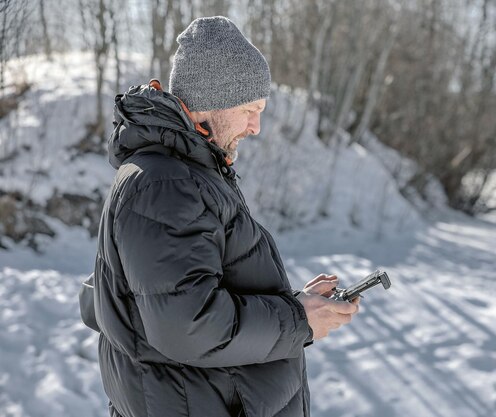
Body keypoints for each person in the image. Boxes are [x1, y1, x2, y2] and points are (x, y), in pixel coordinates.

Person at [87, 16, 359, 417]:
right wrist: (298, 320)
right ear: (211, 102)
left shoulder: (187, 172)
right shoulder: (164, 184)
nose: (257, 127)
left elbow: (187, 291)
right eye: (250, 109)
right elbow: (187, 323)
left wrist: (294, 302)